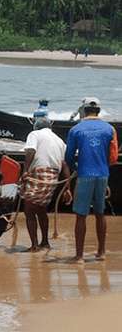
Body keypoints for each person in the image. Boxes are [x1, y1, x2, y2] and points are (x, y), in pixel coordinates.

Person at [65, 97, 118, 263]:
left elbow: (68, 157)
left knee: (81, 215)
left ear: (83, 110)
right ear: (99, 111)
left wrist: (76, 168)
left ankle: (79, 256)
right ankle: (101, 252)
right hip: (102, 175)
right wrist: (102, 165)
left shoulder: (75, 130)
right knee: (100, 213)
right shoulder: (110, 129)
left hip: (84, 175)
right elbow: (113, 157)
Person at [19, 117, 72, 252]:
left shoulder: (34, 134)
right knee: (41, 209)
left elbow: (30, 151)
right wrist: (67, 187)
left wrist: (25, 171)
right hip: (53, 176)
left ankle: (34, 245)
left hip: (39, 174)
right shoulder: (59, 140)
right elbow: (64, 164)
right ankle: (45, 242)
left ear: (36, 126)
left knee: (29, 211)